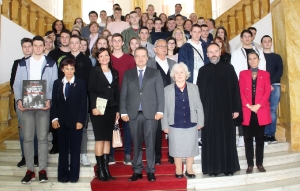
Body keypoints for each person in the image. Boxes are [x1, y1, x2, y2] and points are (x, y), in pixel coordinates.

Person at [13, 35, 58, 183]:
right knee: (27, 139)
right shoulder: (22, 63)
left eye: (41, 45)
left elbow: (54, 84)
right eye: (35, 45)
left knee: (43, 138)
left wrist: (49, 99)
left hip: (43, 106)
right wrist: (19, 99)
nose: (38, 48)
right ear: (31, 46)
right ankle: (30, 170)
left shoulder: (50, 63)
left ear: (45, 47)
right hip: (26, 106)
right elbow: (17, 84)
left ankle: (43, 170)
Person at [120, 47, 164, 182]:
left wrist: (160, 110)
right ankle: (137, 170)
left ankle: (150, 170)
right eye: (137, 56)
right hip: (133, 114)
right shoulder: (128, 74)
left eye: (143, 56)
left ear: (147, 57)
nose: (140, 58)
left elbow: (160, 94)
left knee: (150, 143)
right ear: (134, 58)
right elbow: (123, 95)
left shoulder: (155, 73)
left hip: (151, 114)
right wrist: (123, 111)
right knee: (136, 144)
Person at [197, 43, 242, 176]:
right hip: (209, 111)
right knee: (210, 140)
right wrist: (200, 113)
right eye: (210, 52)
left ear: (220, 51)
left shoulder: (229, 68)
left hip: (227, 110)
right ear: (207, 54)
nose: (213, 54)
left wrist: (236, 109)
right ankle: (213, 169)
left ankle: (229, 168)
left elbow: (235, 90)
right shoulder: (203, 71)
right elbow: (199, 93)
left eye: (216, 51)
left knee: (227, 139)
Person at [162, 63, 204, 178]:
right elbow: (164, 109)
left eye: (182, 72)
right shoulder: (167, 90)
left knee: (191, 147)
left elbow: (199, 106)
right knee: (176, 148)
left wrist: (200, 122)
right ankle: (179, 169)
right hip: (174, 124)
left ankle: (189, 169)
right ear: (173, 75)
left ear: (186, 74)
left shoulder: (194, 87)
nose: (179, 75)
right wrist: (164, 125)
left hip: (191, 123)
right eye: (177, 72)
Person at [50, 58, 87, 183]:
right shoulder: (57, 83)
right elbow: (54, 103)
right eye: (67, 68)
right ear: (62, 69)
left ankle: (74, 176)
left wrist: (81, 120)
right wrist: (54, 119)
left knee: (75, 149)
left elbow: (83, 104)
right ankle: (63, 175)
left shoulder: (81, 83)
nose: (69, 71)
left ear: (75, 69)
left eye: (72, 68)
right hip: (61, 122)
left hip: (76, 122)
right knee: (63, 150)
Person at [88, 48, 120, 181]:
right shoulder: (94, 71)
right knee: (100, 139)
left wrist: (118, 110)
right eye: (101, 56)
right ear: (98, 58)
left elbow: (116, 92)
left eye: (106, 55)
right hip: (99, 109)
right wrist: (94, 107)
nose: (104, 58)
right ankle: (100, 170)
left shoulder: (115, 72)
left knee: (107, 139)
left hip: (111, 109)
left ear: (109, 57)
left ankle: (106, 169)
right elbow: (91, 90)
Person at [231, 30, 266, 147]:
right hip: (243, 83)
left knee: (257, 108)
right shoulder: (236, 53)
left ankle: (257, 135)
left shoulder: (259, 52)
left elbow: (263, 67)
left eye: (248, 36)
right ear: (241, 38)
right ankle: (242, 135)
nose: (246, 38)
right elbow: (234, 69)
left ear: (252, 38)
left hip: (258, 84)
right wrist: (237, 83)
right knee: (244, 109)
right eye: (244, 36)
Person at [239, 51, 271, 174]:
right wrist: (248, 105)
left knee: (259, 139)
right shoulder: (243, 74)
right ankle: (250, 165)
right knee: (247, 139)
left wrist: (257, 105)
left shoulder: (265, 74)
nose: (252, 61)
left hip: (260, 110)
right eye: (250, 59)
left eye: (254, 58)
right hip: (247, 110)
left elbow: (267, 92)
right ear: (247, 61)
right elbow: (240, 92)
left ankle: (259, 163)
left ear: (259, 60)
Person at [10, 38, 38, 168]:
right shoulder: (17, 63)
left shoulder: (37, 62)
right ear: (22, 48)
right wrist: (22, 97)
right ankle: (25, 157)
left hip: (36, 98)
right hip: (22, 100)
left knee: (36, 130)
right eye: (24, 47)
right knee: (23, 131)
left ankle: (36, 156)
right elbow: (13, 82)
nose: (27, 49)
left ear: (33, 47)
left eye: (29, 46)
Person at [147, 39, 176, 165]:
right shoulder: (149, 63)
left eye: (166, 46)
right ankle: (157, 157)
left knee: (173, 128)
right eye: (161, 46)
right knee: (156, 130)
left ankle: (173, 155)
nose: (164, 48)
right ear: (154, 49)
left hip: (172, 100)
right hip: (155, 101)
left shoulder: (173, 63)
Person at [67, 35, 93, 166]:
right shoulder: (65, 59)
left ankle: (83, 154)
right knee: (68, 127)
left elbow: (89, 80)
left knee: (81, 127)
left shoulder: (86, 60)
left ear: (80, 45)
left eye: (77, 43)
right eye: (72, 43)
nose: (74, 45)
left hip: (83, 97)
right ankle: (71, 154)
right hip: (67, 98)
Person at [111, 33, 136, 165]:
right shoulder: (107, 58)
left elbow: (134, 78)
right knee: (111, 125)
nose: (116, 43)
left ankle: (127, 154)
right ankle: (110, 155)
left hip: (127, 97)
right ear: (111, 43)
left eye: (118, 41)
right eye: (114, 41)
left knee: (127, 127)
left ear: (122, 43)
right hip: (111, 97)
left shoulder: (130, 59)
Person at [261, 35, 283, 144]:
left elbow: (280, 71)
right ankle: (264, 134)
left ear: (271, 43)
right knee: (263, 110)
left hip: (275, 85)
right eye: (265, 41)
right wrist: (265, 84)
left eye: (269, 41)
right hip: (262, 86)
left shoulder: (277, 57)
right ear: (261, 44)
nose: (267, 43)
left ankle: (271, 134)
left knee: (272, 110)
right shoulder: (259, 57)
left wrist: (270, 83)